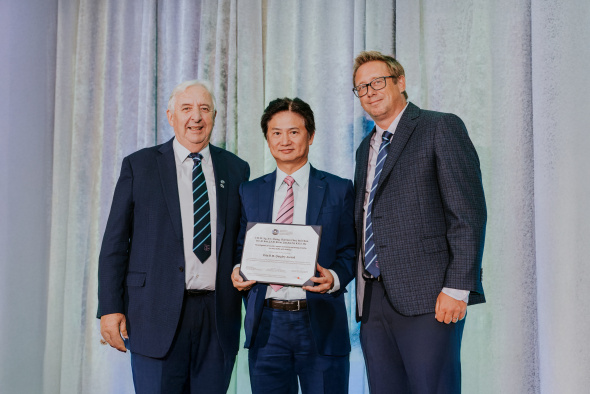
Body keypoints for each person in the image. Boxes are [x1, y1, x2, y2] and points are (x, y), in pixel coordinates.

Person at [97, 80, 250, 393]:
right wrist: (110, 308)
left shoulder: (236, 170)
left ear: (215, 117)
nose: (196, 116)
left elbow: (241, 241)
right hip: (153, 314)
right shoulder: (139, 166)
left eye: (204, 109)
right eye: (186, 108)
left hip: (217, 317)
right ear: (170, 116)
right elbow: (114, 244)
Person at [352, 50, 487, 393]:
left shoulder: (440, 127)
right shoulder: (364, 148)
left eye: (377, 82)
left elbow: (467, 213)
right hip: (373, 299)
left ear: (400, 82)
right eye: (361, 87)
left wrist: (457, 288)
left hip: (430, 297)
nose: (369, 91)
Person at [231, 97, 355, 394]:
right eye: (276, 133)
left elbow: (351, 250)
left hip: (321, 322)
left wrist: (335, 278)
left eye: (294, 132)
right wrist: (238, 269)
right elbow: (239, 247)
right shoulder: (249, 191)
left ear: (310, 136)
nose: (284, 140)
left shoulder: (339, 189)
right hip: (266, 324)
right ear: (267, 138)